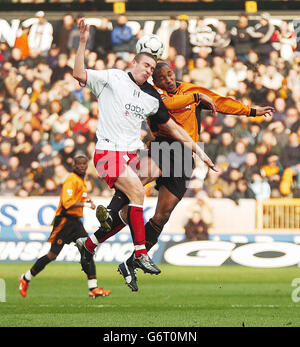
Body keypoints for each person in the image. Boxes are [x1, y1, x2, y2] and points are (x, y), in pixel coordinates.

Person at [84, 61, 274, 291]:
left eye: (170, 74)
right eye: (162, 78)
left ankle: (131, 263)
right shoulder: (153, 92)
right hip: (163, 147)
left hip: (185, 158)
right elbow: (166, 104)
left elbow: (221, 102)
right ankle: (101, 225)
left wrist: (252, 111)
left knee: (162, 216)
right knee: (134, 187)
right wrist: (195, 98)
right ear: (155, 81)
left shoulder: (190, 90)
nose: (168, 80)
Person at [72, 19, 216, 279]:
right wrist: (82, 43)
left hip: (131, 155)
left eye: (152, 67)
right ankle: (139, 252)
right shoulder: (112, 78)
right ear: (133, 62)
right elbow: (79, 73)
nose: (149, 70)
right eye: (146, 65)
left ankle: (90, 243)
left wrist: (200, 152)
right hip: (107, 153)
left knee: (131, 210)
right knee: (138, 193)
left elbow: (173, 128)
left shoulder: (151, 97)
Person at [18, 154, 111, 299]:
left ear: (87, 165)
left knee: (88, 249)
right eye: (78, 164)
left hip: (75, 222)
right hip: (64, 221)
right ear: (73, 166)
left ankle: (93, 288)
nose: (81, 166)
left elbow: (78, 197)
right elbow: (67, 203)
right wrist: (86, 204)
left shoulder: (81, 181)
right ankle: (25, 278)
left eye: (84, 164)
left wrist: (86, 200)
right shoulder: (71, 179)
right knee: (52, 255)